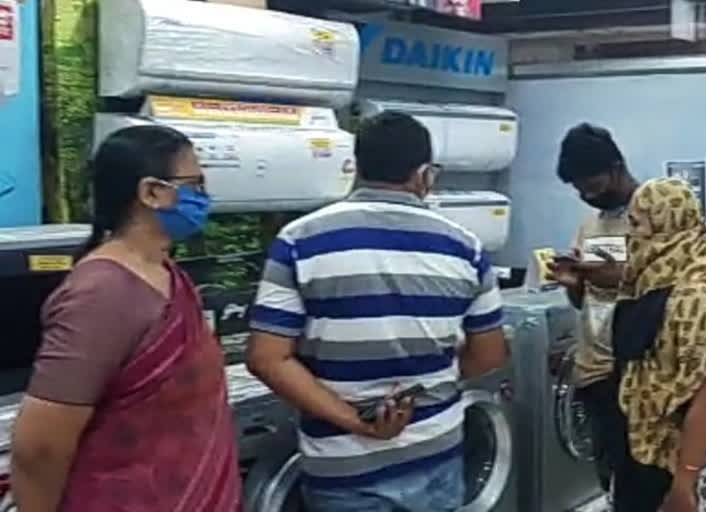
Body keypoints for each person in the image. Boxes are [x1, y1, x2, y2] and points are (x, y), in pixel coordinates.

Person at [247, 111, 508, 512]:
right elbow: (489, 353)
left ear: (356, 167)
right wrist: (432, 378)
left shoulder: (299, 240)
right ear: (425, 174)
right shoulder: (465, 247)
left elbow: (267, 358)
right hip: (435, 454)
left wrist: (356, 421)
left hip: (344, 466)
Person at [11, 126, 242, 512]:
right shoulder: (102, 293)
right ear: (151, 192)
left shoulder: (167, 274)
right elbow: (41, 445)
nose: (204, 197)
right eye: (194, 185)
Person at [610, 178, 706, 512]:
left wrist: (685, 483)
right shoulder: (655, 279)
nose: (629, 234)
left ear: (669, 226)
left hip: (685, 459)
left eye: (637, 223)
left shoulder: (699, 296)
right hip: (647, 447)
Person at [546, 122, 639, 488]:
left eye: (594, 185)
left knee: (640, 479)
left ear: (616, 167)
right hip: (595, 372)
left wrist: (612, 278)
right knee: (611, 476)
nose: (587, 195)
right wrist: (575, 283)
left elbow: (668, 290)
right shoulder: (594, 225)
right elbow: (592, 299)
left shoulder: (654, 216)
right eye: (579, 190)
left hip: (636, 375)